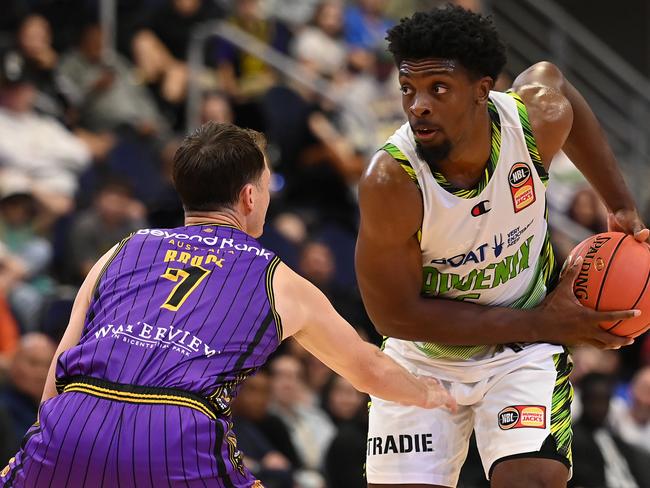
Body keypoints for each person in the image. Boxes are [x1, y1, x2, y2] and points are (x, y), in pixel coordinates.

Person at [0, 122, 455, 487]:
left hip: (73, 420)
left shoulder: (123, 248)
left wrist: (53, 447)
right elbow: (368, 370)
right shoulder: (278, 278)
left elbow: (61, 363)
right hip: (174, 429)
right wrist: (431, 392)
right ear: (250, 196)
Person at [355, 6, 648, 488]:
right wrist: (544, 322)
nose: (418, 105)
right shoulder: (392, 180)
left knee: (533, 478)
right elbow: (394, 316)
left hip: (521, 349)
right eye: (408, 88)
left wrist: (619, 205)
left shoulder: (532, 121)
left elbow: (557, 84)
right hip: (426, 356)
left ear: (481, 89)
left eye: (438, 88)